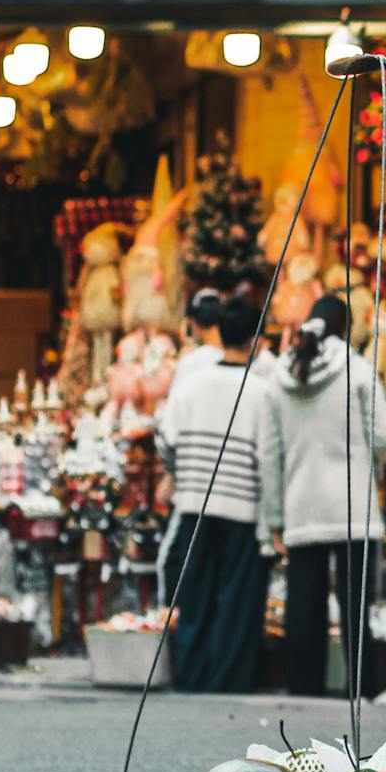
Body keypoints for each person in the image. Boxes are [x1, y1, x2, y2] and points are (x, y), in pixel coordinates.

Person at [257, 294, 386, 700]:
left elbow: (271, 454)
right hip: (354, 503)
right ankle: (362, 686)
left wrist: (273, 519)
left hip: (302, 504)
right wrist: (371, 465)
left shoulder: (278, 377)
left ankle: (303, 686)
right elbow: (385, 435)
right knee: (356, 606)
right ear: (345, 327)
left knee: (304, 604)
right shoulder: (357, 369)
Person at [155, 294, 271, 693]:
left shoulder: (191, 385)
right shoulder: (262, 393)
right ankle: (229, 677)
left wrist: (184, 471)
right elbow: (269, 458)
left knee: (196, 592)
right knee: (236, 599)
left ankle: (192, 672)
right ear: (256, 340)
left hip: (194, 504)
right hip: (243, 508)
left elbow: (164, 440)